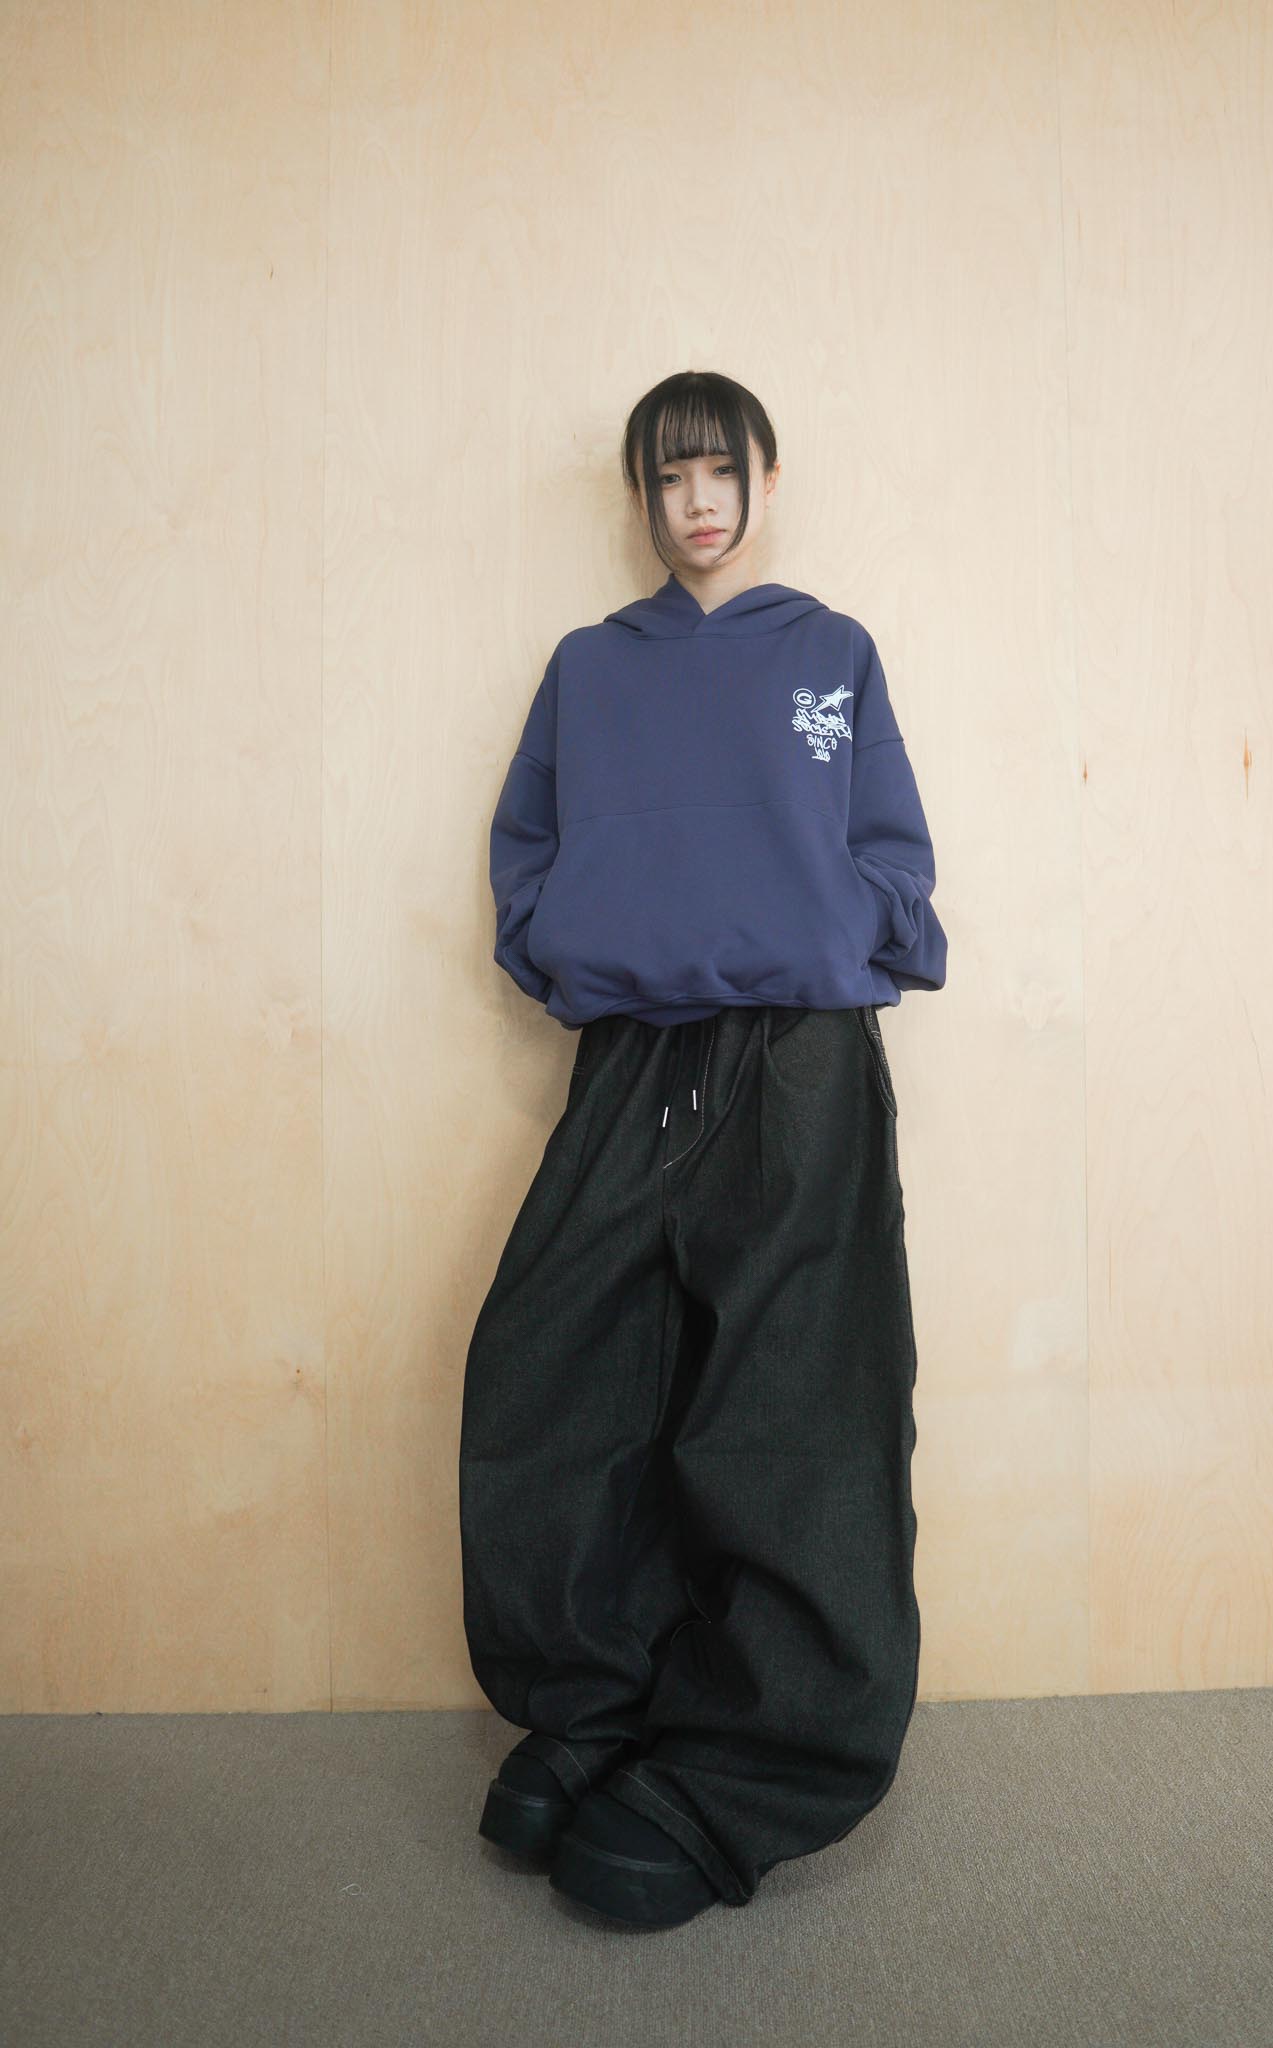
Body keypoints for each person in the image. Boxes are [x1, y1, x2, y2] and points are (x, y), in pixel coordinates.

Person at [459, 368, 947, 1929]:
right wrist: (580, 941)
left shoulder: (831, 653)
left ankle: (754, 1759)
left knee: (788, 1406)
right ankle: (600, 1702)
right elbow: (525, 854)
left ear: (766, 479)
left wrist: (821, 931)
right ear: (643, 499)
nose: (696, 503)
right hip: (633, 1055)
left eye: (719, 471)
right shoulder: (592, 668)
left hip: (799, 1056)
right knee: (566, 1367)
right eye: (667, 478)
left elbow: (898, 863)